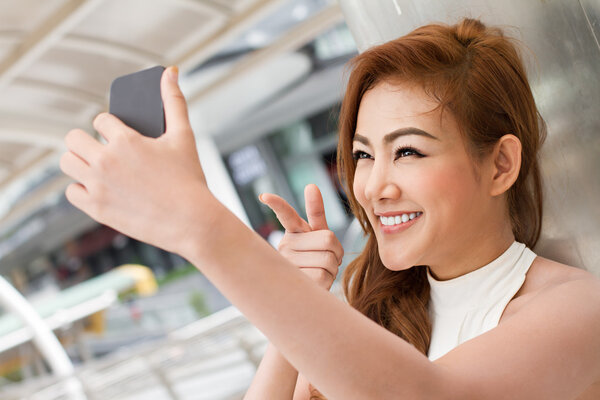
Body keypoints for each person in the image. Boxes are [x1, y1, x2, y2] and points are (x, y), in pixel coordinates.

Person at [60, 17, 600, 399]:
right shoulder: (373, 316)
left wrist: (200, 226)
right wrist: (295, 291)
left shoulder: (579, 310)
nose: (374, 186)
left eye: (408, 151)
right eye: (363, 154)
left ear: (501, 165)